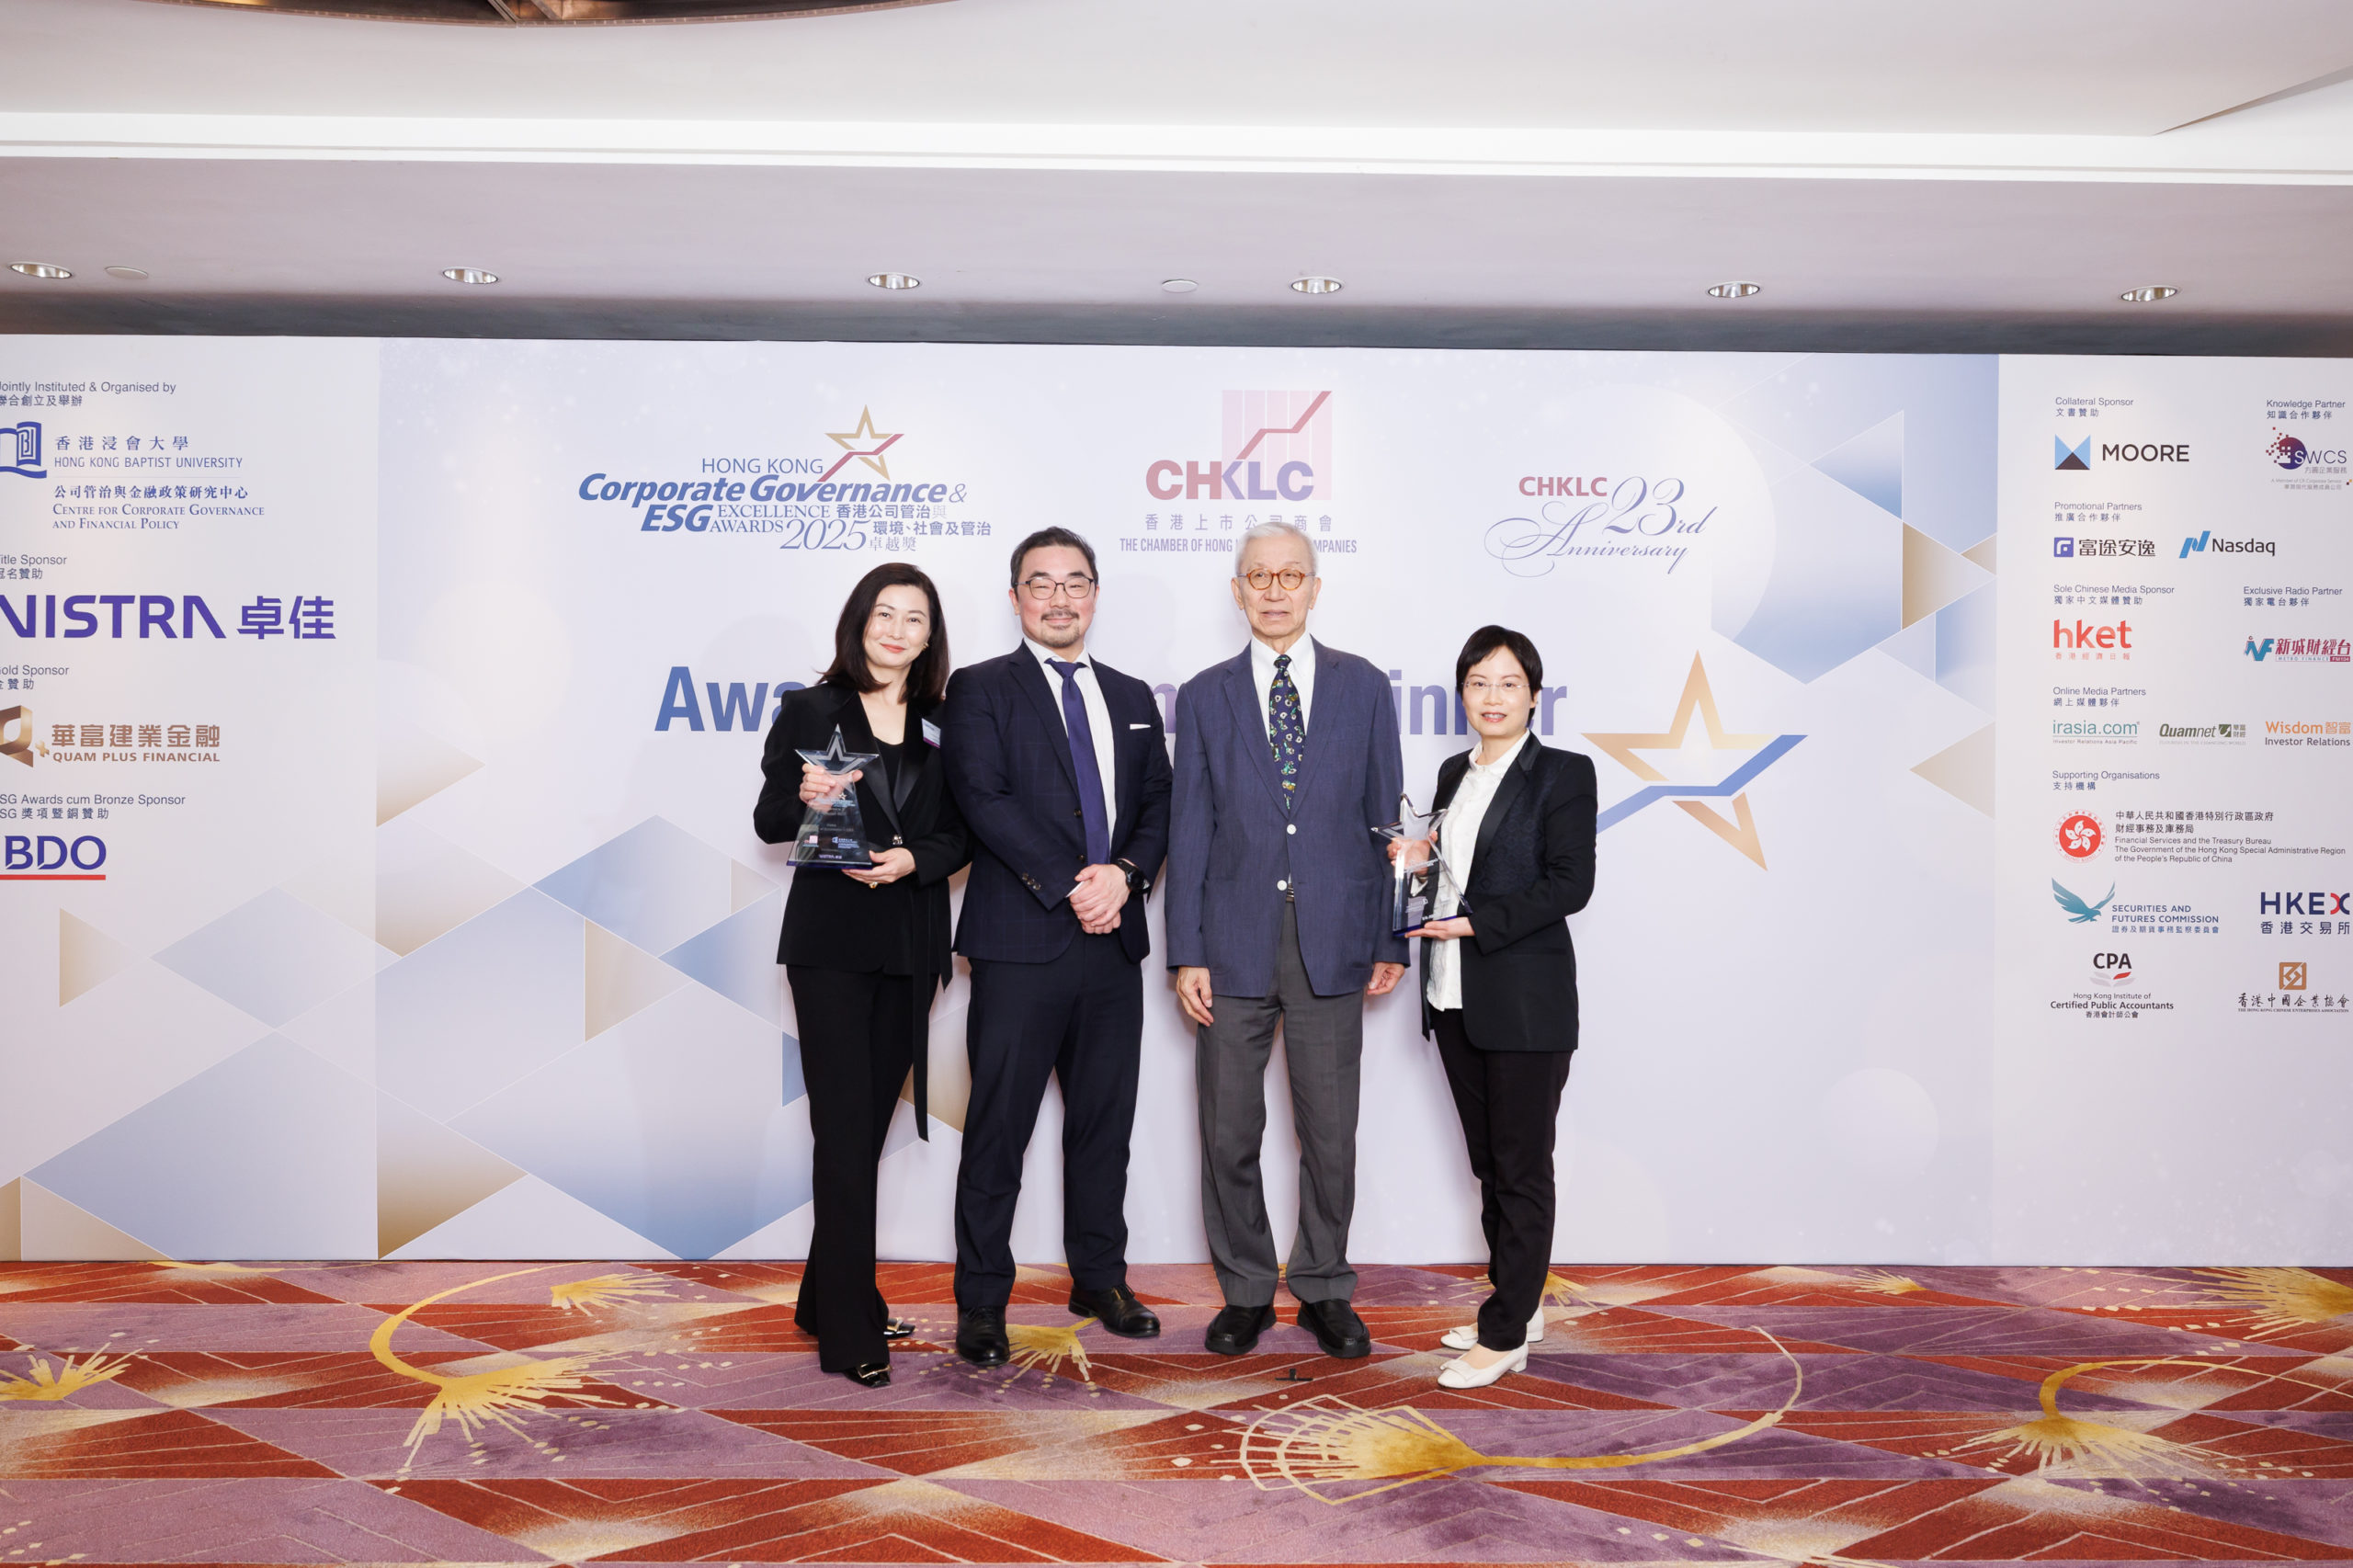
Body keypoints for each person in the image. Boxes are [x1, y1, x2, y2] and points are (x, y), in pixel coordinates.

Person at [1166, 520, 1406, 1359]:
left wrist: (1391, 936)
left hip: (1335, 940)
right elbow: (1189, 827)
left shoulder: (1363, 685)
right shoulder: (1204, 695)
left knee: (1329, 1133)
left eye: (1290, 575)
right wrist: (1187, 950)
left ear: (1314, 587)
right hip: (1231, 944)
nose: (1275, 590)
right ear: (1237, 591)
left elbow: (1386, 818)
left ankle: (1324, 1286)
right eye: (1259, 576)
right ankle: (1244, 1291)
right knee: (1228, 1131)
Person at [940, 527, 1172, 1367]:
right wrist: (1078, 884)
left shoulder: (1133, 695)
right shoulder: (979, 688)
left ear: (1095, 595)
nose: (1060, 598)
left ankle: (1099, 1278)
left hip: (1112, 947)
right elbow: (983, 797)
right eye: (1041, 583)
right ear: (1016, 598)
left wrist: (1126, 875)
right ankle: (981, 1299)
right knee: (998, 1128)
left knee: (1105, 1126)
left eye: (1075, 582)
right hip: (1020, 942)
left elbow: (1160, 802)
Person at [753, 562, 970, 1389]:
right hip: (832, 948)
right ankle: (849, 1331)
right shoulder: (811, 710)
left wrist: (915, 860)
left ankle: (825, 1297)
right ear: (859, 622)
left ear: (930, 636)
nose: (897, 630)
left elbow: (964, 833)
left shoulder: (948, 719)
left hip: (912, 946)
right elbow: (769, 819)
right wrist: (805, 798)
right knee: (843, 1139)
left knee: (863, 1136)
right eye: (885, 614)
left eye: (914, 618)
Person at [1398, 625, 1596, 1390]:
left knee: (1521, 1168)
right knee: (1490, 1164)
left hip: (1524, 1003)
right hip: (1452, 995)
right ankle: (1521, 1301)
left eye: (1509, 683)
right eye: (1479, 682)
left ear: (1534, 697)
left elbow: (1570, 883)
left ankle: (1505, 1331)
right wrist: (1419, 864)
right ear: (1462, 694)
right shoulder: (1454, 772)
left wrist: (1476, 924)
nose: (1493, 696)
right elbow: (1457, 873)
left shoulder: (1564, 772)